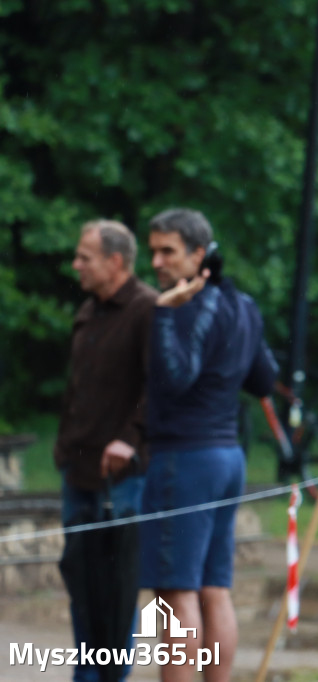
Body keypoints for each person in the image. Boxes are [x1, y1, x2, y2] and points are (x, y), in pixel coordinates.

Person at [141, 208, 277, 682]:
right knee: (214, 587)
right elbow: (265, 379)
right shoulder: (242, 304)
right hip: (227, 458)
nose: (157, 261)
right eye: (153, 250)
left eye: (168, 251)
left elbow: (175, 378)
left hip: (185, 458)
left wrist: (160, 314)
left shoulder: (184, 307)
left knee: (176, 591)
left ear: (199, 253)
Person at [55, 219, 159, 682]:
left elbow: (161, 388)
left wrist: (131, 438)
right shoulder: (89, 310)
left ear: (115, 261)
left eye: (85, 256)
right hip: (76, 472)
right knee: (81, 582)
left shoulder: (147, 309)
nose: (76, 264)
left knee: (115, 592)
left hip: (123, 478)